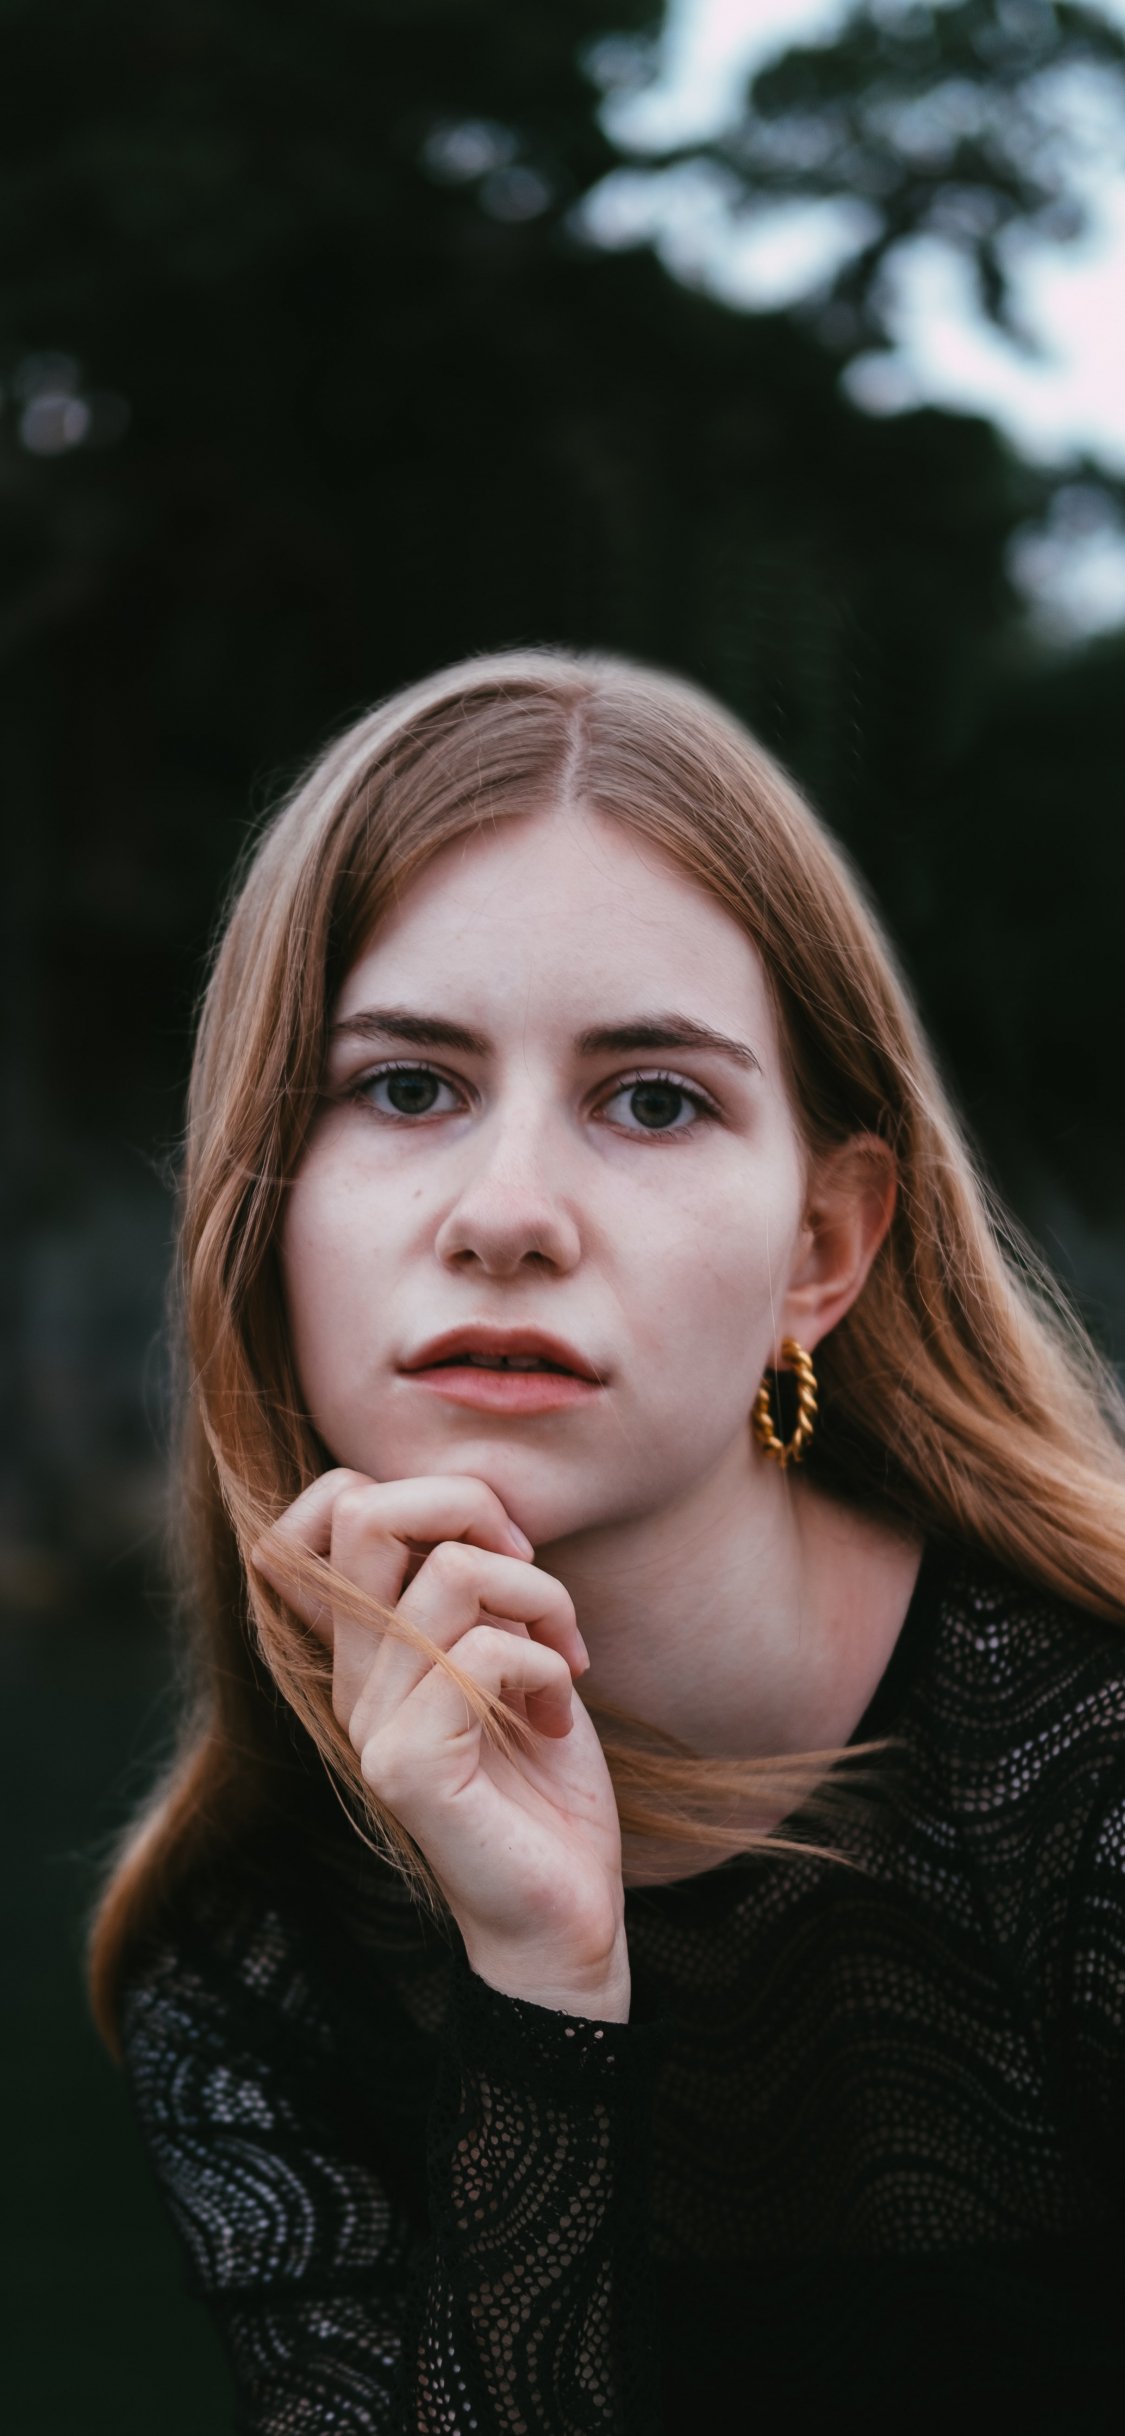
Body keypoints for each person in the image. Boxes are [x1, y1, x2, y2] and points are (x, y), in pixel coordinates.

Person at [91, 648, 1125, 2433]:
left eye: (651, 1099)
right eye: (404, 1087)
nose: (506, 1216)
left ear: (823, 1249)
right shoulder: (247, 1956)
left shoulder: (1088, 1785)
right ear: (267, 1199)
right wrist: (542, 1983)